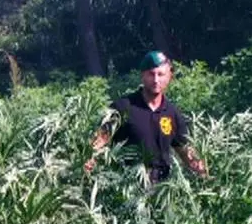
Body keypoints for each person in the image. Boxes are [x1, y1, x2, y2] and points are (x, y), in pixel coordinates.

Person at [84, 51, 209, 183]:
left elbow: (186, 152)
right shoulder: (123, 107)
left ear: (169, 77)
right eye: (151, 74)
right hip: (127, 188)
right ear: (142, 75)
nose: (156, 80)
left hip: (162, 191)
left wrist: (204, 173)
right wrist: (88, 162)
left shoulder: (172, 113)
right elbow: (99, 141)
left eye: (161, 74)